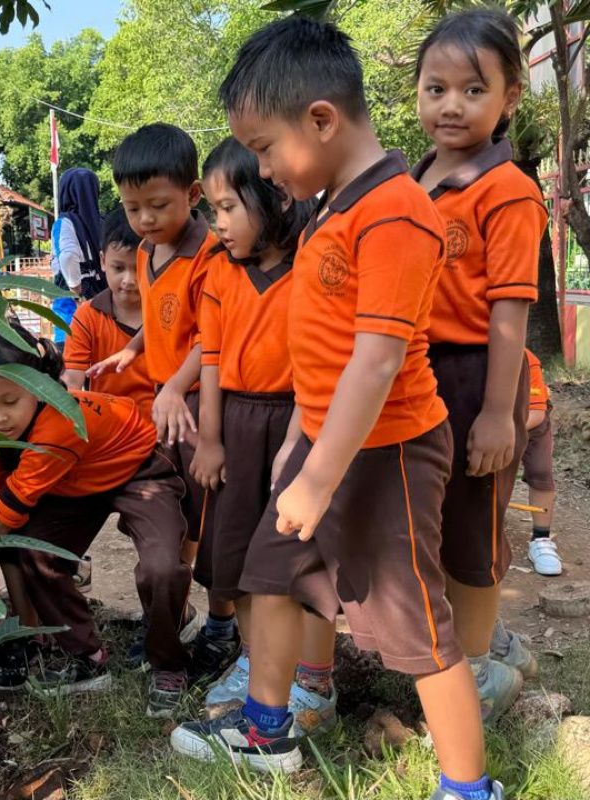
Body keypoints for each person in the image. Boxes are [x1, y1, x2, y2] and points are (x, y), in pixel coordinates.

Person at [173, 17, 501, 800]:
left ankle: (468, 786)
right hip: (318, 440)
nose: (261, 168)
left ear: (321, 120)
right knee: (271, 579)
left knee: (417, 627)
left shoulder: (393, 212)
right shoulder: (333, 204)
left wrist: (317, 476)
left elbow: (379, 360)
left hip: (383, 454)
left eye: (263, 148)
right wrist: (304, 450)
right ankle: (265, 731)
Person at [411, 8, 548, 722]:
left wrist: (500, 411)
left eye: (472, 90)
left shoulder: (510, 191)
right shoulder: (416, 177)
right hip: (416, 375)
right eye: (436, 88)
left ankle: (475, 673)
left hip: (475, 378)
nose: (451, 105)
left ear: (510, 98)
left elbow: (509, 314)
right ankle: (483, 638)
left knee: (473, 523)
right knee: (426, 519)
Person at [0, 324, 191, 718]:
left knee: (161, 567)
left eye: (11, 401)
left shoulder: (56, 426)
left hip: (138, 466)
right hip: (75, 481)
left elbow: (12, 508)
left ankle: (169, 663)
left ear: (41, 385)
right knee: (34, 553)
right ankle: (86, 655)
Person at [191, 137, 338, 737]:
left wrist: (299, 435)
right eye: (211, 209)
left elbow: (323, 358)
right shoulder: (219, 275)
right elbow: (210, 359)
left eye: (227, 207)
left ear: (272, 195)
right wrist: (209, 438)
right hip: (237, 421)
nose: (216, 223)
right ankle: (256, 664)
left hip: (302, 417)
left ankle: (315, 680)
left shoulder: (312, 261)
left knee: (300, 553)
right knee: (238, 555)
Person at [89, 123, 239, 689]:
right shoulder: (149, 252)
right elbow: (159, 322)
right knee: (175, 524)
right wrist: (131, 351)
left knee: (216, 522)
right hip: (168, 403)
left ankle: (223, 624)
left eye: (158, 205)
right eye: (132, 208)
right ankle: (173, 621)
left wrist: (175, 386)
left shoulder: (211, 256)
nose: (145, 220)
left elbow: (211, 338)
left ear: (193, 194)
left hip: (206, 400)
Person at [60, 207, 153, 418]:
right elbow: (72, 380)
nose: (129, 280)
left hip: (164, 429)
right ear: (103, 261)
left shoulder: (169, 311)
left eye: (138, 268)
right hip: (111, 429)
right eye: (118, 268)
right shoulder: (87, 316)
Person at [51, 168, 105, 351]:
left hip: (70, 310)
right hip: (100, 305)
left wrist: (77, 290)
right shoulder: (101, 222)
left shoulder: (65, 222)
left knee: (70, 367)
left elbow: (67, 256)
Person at [521, 348, 559, 575]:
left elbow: (535, 414)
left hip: (531, 421)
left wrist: (502, 431)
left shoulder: (527, 360)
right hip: (486, 419)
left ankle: (541, 539)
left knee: (540, 471)